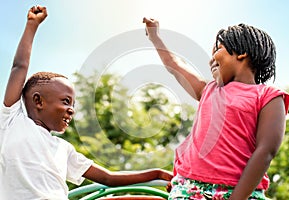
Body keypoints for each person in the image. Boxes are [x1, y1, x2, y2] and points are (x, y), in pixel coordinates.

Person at [0, 6, 173, 200]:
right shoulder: (11, 121)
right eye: (66, 102)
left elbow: (108, 177)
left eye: (73, 103)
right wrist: (32, 25)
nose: (72, 110)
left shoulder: (64, 149)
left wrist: (156, 173)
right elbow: (19, 66)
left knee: (152, 199)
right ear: (38, 101)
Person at [143, 18, 289, 200]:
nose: (211, 59)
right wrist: (155, 37)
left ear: (242, 53)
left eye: (218, 50)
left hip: (241, 193)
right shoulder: (209, 90)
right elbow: (174, 65)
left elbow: (266, 150)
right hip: (190, 188)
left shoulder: (268, 95)